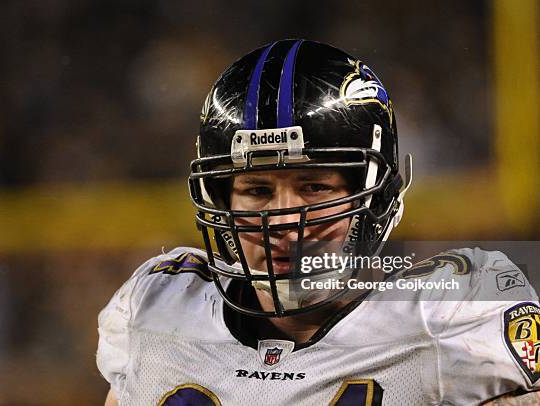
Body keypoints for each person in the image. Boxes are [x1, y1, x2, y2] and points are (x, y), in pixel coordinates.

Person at [97, 39, 540, 405]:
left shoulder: (451, 317)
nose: (284, 220)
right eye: (257, 191)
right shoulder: (154, 309)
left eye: (314, 187)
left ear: (376, 196)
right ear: (220, 199)